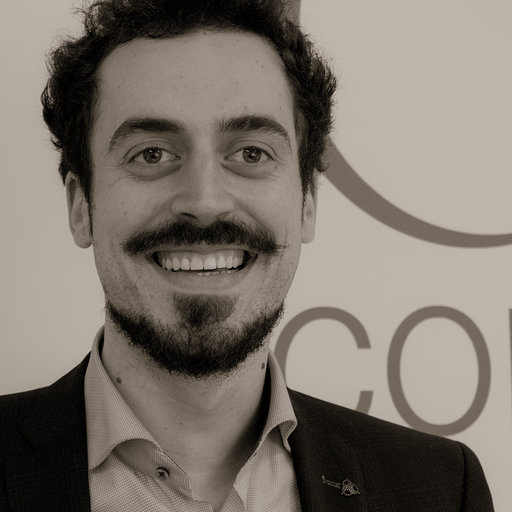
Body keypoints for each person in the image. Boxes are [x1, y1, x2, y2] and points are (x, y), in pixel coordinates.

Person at [0, 1, 494, 510]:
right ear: (80, 206)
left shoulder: (441, 489)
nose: (204, 201)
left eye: (251, 153)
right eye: (152, 154)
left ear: (307, 202)